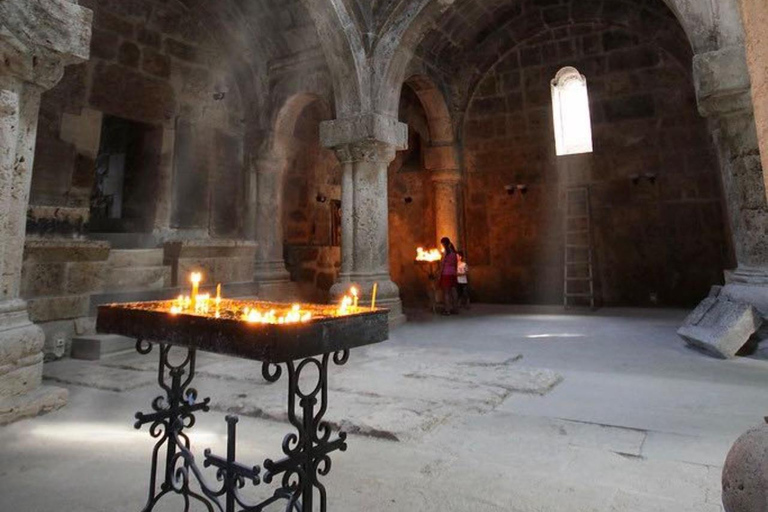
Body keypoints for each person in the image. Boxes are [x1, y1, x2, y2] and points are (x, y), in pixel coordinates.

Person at [439, 237, 459, 315]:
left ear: (444, 244)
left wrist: (439, 274)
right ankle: (456, 308)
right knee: (454, 291)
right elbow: (456, 264)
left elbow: (442, 265)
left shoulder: (445, 253)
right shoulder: (454, 253)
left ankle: (447, 310)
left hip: (446, 274)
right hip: (453, 273)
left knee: (446, 292)